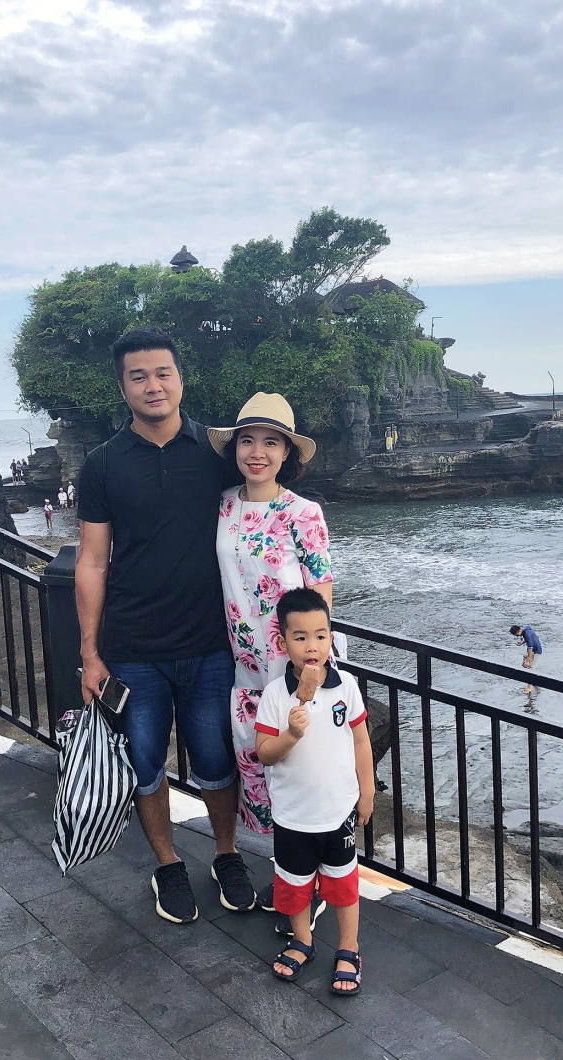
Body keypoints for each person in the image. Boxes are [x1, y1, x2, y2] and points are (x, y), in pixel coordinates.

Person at [76, 325, 255, 925]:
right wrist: (90, 654)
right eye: (139, 376)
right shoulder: (102, 464)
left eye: (163, 373)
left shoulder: (216, 453)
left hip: (211, 645)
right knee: (146, 764)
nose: (153, 385)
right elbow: (92, 560)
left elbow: (264, 514)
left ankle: (227, 854)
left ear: (181, 378)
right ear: (122, 386)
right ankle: (167, 863)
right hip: (133, 650)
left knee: (216, 760)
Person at [208, 392, 333, 930]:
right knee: (266, 775)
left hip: (294, 669)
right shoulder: (223, 504)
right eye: (248, 441)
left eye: (271, 443)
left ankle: (314, 887)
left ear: (287, 454)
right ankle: (291, 880)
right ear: (235, 448)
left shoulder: (304, 513)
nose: (257, 452)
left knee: (304, 778)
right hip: (246, 671)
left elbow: (321, 591)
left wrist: (313, 667)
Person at [254, 587, 375, 995]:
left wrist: (367, 791)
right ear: (282, 642)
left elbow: (360, 739)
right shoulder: (276, 696)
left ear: (331, 639)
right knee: (294, 886)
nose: (312, 647)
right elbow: (264, 753)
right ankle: (302, 939)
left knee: (343, 886)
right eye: (300, 637)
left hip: (338, 811)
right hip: (293, 815)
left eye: (321, 636)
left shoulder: (346, 687)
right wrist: (290, 733)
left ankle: (349, 948)